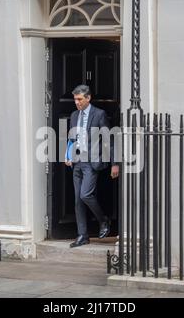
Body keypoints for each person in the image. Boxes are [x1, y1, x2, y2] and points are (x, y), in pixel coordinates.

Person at [65, 85, 119, 248]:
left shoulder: (99, 114)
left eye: (80, 99)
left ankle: (103, 220)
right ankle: (82, 235)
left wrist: (114, 163)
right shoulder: (74, 115)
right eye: (75, 99)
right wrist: (68, 155)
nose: (77, 102)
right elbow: (72, 138)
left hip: (92, 161)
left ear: (88, 98)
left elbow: (109, 140)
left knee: (85, 195)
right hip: (77, 162)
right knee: (77, 200)